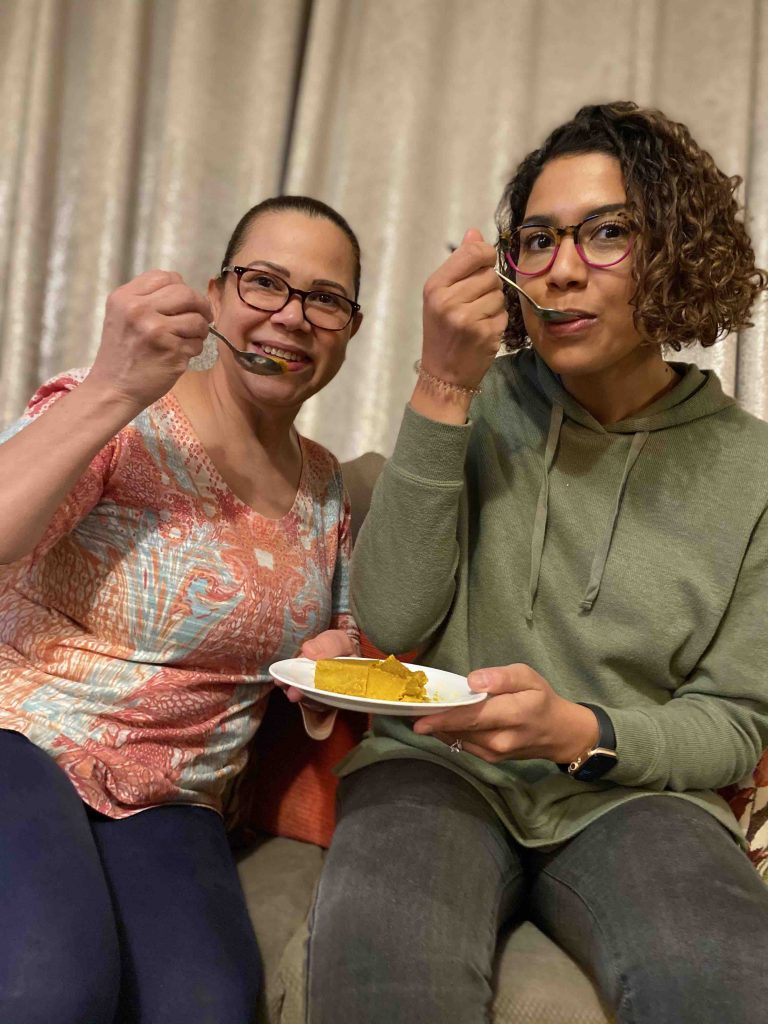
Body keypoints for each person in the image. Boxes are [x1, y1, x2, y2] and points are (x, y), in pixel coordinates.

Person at [306, 102, 768, 1023]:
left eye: (606, 234)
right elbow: (391, 623)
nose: (561, 269)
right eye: (538, 239)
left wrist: (581, 732)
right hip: (431, 767)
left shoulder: (751, 472)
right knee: (382, 991)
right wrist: (440, 385)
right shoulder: (478, 399)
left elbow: (735, 725)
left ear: (675, 247)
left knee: (724, 991)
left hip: (632, 796)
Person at [0, 195, 363, 1024]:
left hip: (178, 795)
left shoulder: (326, 485)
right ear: (218, 293)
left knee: (209, 1008)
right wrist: (112, 386)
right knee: (50, 988)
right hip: (20, 738)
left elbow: (332, 634)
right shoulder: (126, 415)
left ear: (348, 328)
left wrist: (332, 655)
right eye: (264, 283)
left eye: (325, 299)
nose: (291, 317)